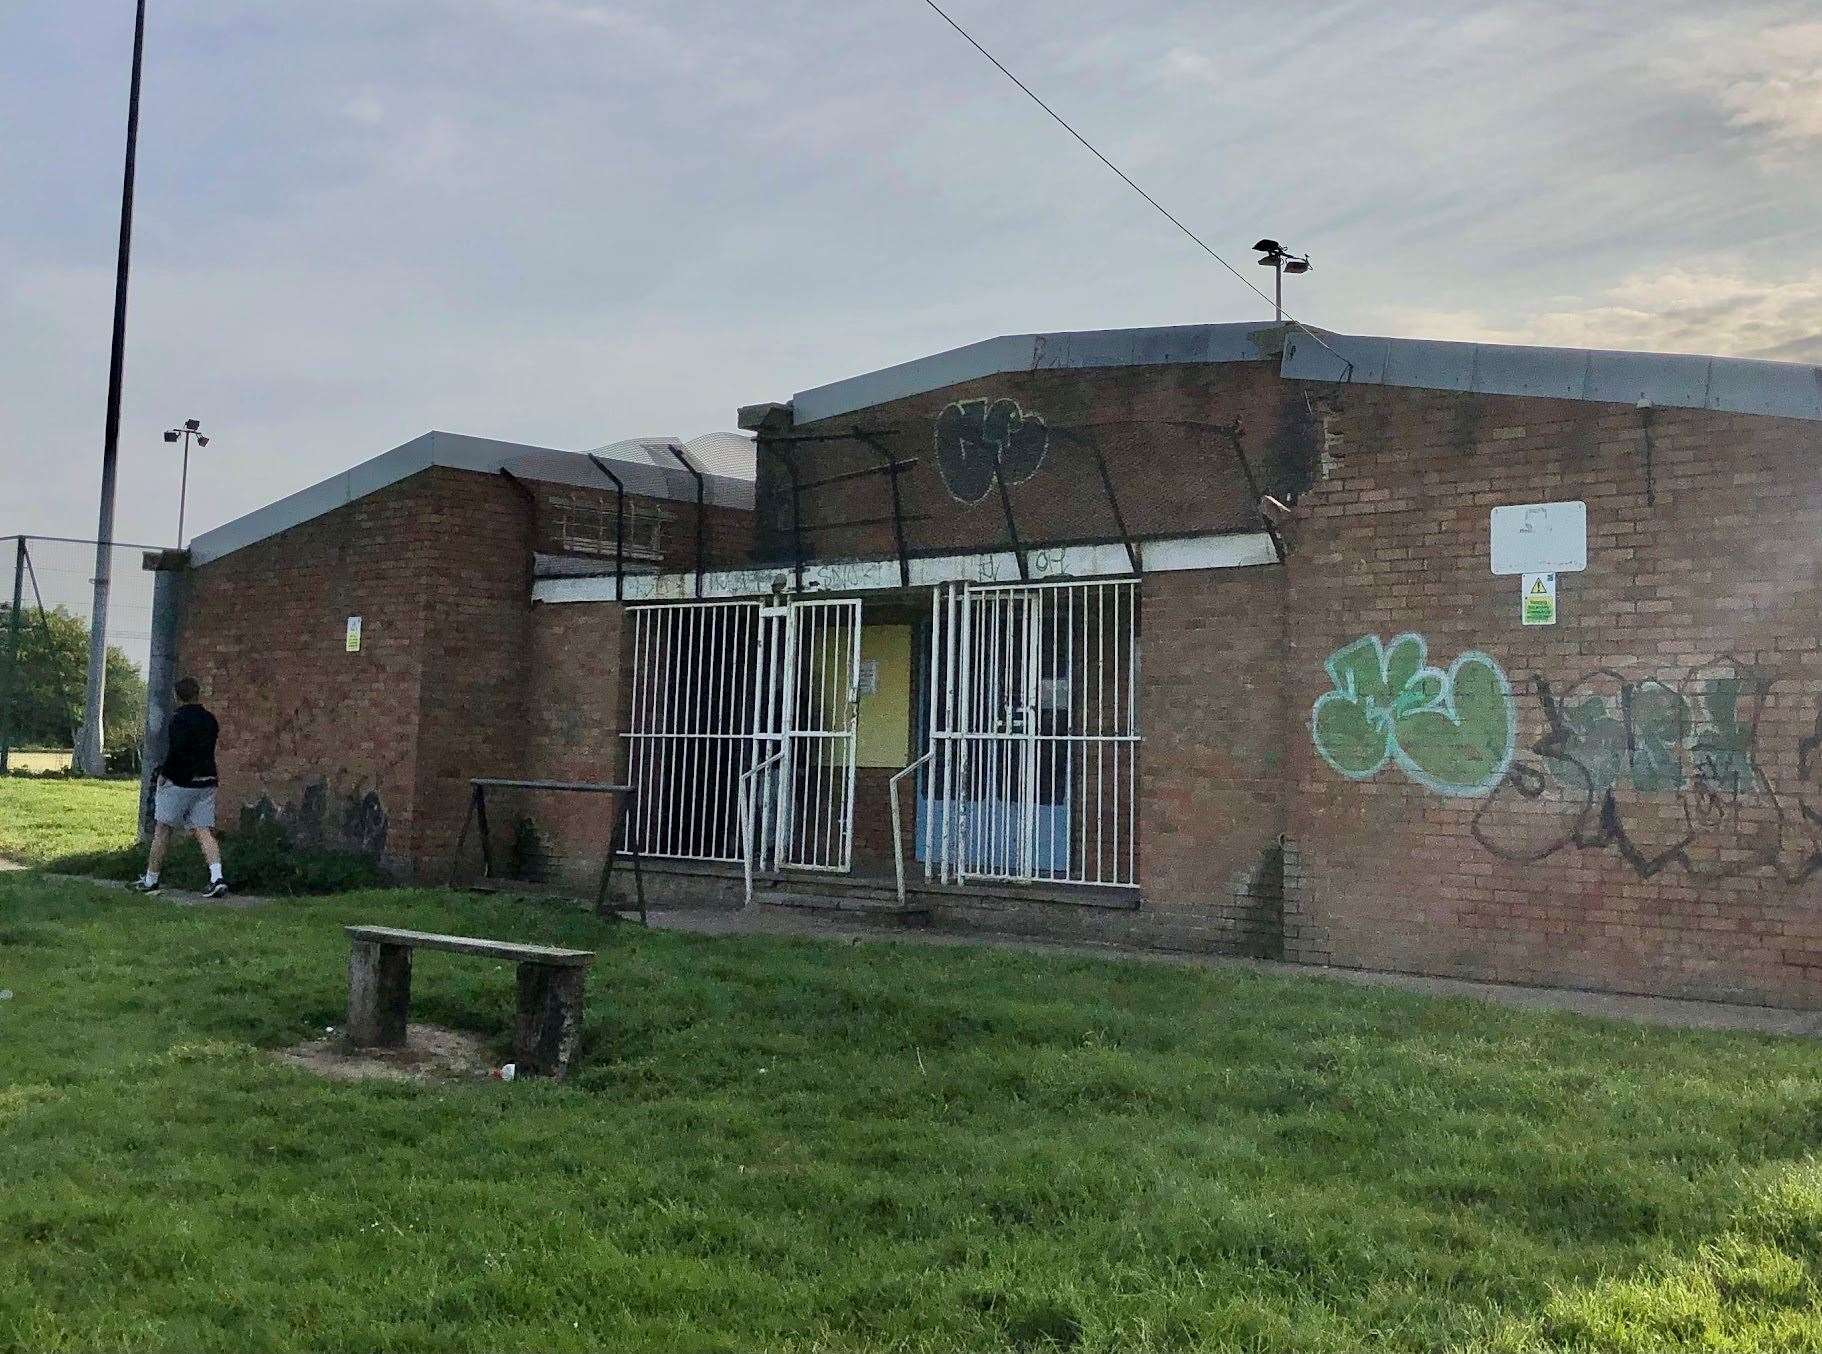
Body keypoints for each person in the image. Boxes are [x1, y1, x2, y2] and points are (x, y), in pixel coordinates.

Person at [131, 676, 228, 897]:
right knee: (203, 831)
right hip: (207, 780)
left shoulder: (178, 720)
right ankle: (217, 877)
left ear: (177, 696)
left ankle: (151, 880)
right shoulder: (210, 719)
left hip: (181, 782)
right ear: (197, 694)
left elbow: (177, 751)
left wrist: (165, 775)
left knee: (162, 830)